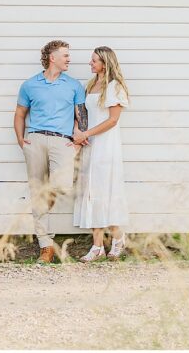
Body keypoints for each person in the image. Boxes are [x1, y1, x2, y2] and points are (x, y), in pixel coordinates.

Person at [13, 39, 86, 264]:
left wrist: (77, 142)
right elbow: (19, 114)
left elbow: (81, 115)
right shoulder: (29, 85)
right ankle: (45, 245)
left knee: (61, 184)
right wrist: (20, 140)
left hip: (62, 142)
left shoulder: (74, 85)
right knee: (37, 192)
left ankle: (46, 206)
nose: (69, 59)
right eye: (65, 55)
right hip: (34, 140)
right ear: (52, 57)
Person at [72, 46, 131, 261]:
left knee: (106, 190)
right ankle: (97, 246)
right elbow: (83, 114)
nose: (90, 63)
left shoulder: (114, 87)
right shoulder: (91, 85)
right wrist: (78, 132)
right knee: (90, 191)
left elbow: (113, 120)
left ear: (105, 63)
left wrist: (87, 132)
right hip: (90, 145)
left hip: (106, 146)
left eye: (94, 60)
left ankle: (118, 238)